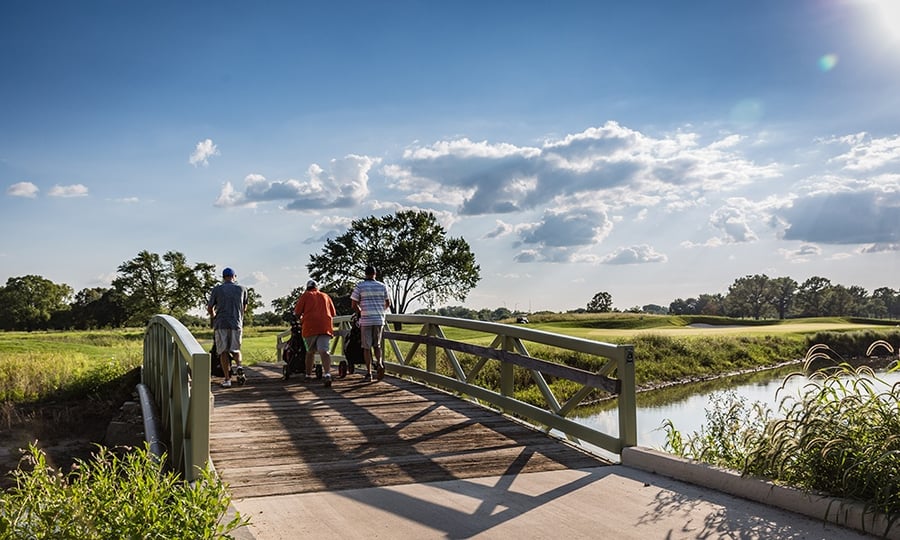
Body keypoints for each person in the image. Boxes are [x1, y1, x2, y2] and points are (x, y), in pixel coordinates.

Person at [207, 267, 249, 388]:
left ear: (223, 277)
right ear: (234, 277)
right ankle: (239, 366)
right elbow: (244, 308)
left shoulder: (217, 289)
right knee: (236, 349)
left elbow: (210, 307)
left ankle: (227, 379)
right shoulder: (243, 289)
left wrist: (213, 316)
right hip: (236, 323)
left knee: (223, 352)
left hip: (221, 324)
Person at [350, 265, 391, 381]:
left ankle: (369, 373)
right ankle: (380, 364)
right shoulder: (382, 286)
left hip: (366, 320)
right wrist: (381, 311)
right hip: (379, 319)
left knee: (366, 347)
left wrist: (360, 311)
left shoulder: (360, 286)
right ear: (375, 274)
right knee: (377, 345)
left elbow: (353, 304)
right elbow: (388, 303)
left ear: (365, 274)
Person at [293, 279, 337, 387]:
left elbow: (297, 313)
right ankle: (327, 374)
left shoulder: (305, 295)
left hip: (310, 328)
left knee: (310, 352)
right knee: (324, 351)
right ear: (317, 287)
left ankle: (308, 375)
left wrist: (300, 318)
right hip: (325, 327)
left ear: (307, 287)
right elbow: (333, 313)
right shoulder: (326, 296)